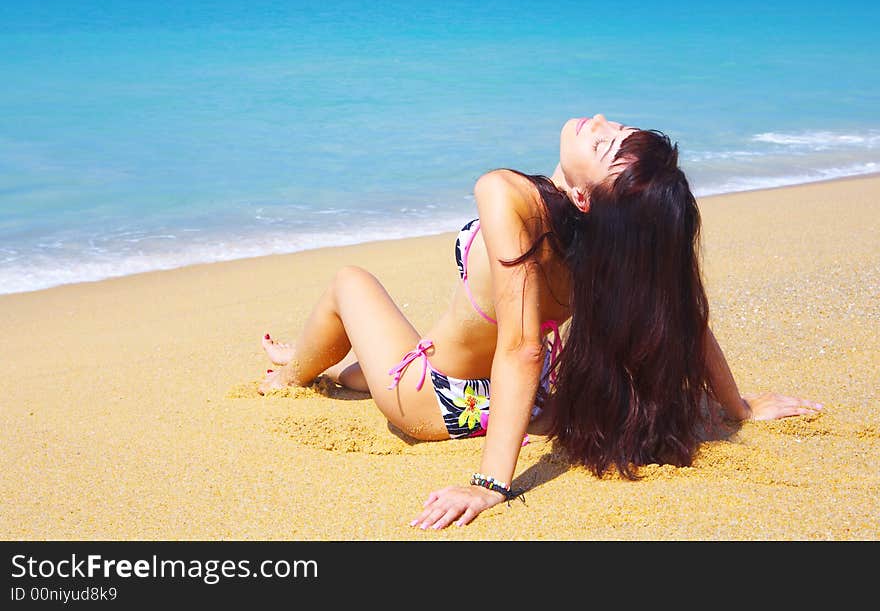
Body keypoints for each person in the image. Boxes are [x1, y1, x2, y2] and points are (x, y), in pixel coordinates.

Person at [258, 113, 824, 530]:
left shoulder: (507, 194)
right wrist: (739, 408)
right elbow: (686, 318)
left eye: (603, 142)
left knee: (348, 281)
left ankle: (286, 378)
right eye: (613, 128)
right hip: (531, 403)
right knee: (358, 371)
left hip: (440, 398)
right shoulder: (614, 245)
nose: (597, 121)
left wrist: (489, 485)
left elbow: (523, 348)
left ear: (581, 197)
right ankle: (321, 364)